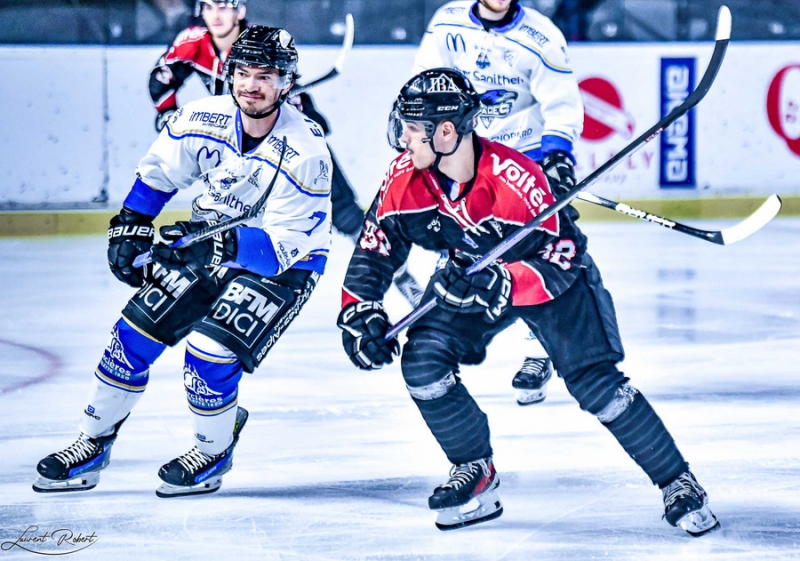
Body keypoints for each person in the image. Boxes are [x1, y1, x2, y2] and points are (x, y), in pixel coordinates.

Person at [336, 68, 719, 536]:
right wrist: (361, 310)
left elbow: (562, 258)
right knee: (423, 360)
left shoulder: (515, 180)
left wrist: (502, 282)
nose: (404, 138)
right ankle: (475, 472)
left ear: (447, 131)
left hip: (551, 283)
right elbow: (376, 247)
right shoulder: (405, 178)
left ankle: (677, 482)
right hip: (471, 278)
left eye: (414, 129)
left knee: (597, 386)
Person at [33, 26, 332, 498]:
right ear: (229, 73)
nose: (251, 85)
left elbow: (282, 248)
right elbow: (159, 174)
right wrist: (131, 224)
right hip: (209, 244)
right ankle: (92, 441)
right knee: (130, 337)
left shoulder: (307, 151)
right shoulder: (202, 116)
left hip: (285, 263)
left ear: (287, 84)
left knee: (210, 352)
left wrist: (220, 247)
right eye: (243, 72)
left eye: (265, 75)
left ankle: (213, 450)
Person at [149, 0, 423, 305]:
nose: (216, 15)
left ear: (239, 11)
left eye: (225, 7)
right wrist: (167, 114)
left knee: (346, 216)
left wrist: (298, 109)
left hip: (290, 148)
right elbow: (161, 79)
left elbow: (299, 103)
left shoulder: (264, 41)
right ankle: (214, 293)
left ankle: (398, 272)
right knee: (225, 216)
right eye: (210, 7)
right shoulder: (192, 41)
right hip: (238, 147)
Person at [412, 0, 585, 405]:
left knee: (534, 255)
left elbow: (561, 105)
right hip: (467, 159)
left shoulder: (541, 36)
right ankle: (444, 345)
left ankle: (538, 348)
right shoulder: (447, 23)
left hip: (523, 162)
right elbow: (423, 88)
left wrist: (557, 158)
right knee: (458, 254)